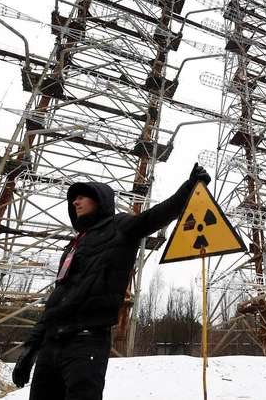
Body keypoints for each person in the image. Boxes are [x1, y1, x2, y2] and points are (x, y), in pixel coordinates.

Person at [11, 163, 212, 400]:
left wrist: (188, 188)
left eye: (82, 197)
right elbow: (55, 301)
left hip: (86, 342)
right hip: (51, 345)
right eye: (74, 199)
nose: (75, 202)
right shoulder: (73, 246)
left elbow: (154, 216)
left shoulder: (120, 227)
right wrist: (31, 347)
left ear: (100, 200)